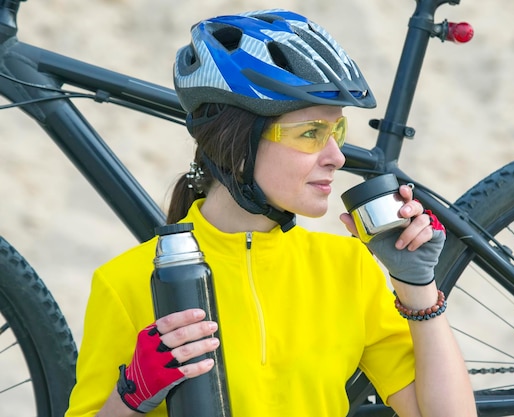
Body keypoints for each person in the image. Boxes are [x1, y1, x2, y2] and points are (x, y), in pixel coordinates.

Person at [65, 9, 476, 417]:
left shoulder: (350, 269)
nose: (336, 157)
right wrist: (131, 396)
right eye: (312, 133)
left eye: (338, 132)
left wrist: (417, 287)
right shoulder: (125, 283)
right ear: (236, 144)